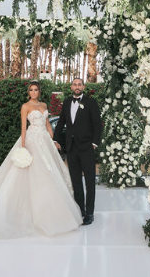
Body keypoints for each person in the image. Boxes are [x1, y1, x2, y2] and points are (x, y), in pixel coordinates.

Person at [0, 82, 82, 239]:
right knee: (31, 173)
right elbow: (23, 127)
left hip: (45, 141)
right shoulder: (25, 106)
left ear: (39, 92)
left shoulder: (44, 104)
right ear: (29, 92)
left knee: (50, 172)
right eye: (31, 90)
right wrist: (23, 146)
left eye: (36, 90)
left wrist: (53, 141)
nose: (34, 92)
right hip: (32, 140)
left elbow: (47, 124)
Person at [53, 78, 102, 225]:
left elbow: (97, 124)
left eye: (79, 84)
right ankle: (79, 210)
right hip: (72, 148)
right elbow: (61, 121)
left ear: (83, 87)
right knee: (76, 181)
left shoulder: (90, 102)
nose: (77, 87)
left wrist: (94, 143)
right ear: (71, 87)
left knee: (89, 181)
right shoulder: (67, 102)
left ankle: (90, 213)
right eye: (75, 84)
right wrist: (56, 139)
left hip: (87, 147)